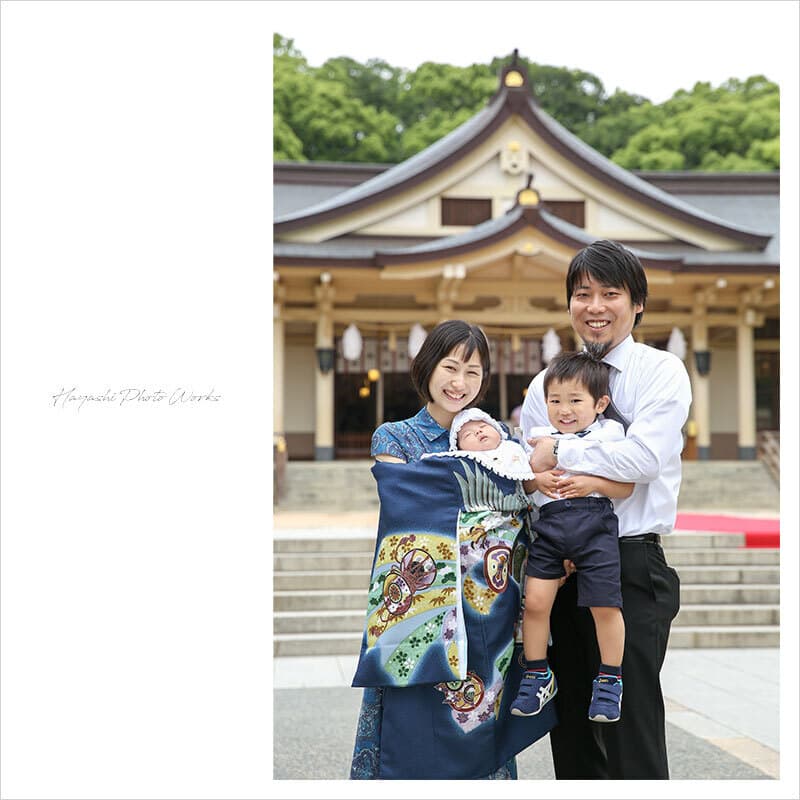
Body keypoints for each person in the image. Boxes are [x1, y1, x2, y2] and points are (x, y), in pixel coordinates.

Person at [350, 319, 553, 780]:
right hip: (421, 605)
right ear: (427, 367)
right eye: (450, 367)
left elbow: (523, 503)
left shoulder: (496, 435)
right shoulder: (395, 437)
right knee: (409, 734)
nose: (460, 383)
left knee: (480, 727)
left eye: (474, 372)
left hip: (490, 605)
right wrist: (500, 486)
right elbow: (405, 503)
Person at [521, 239, 691, 779]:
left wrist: (566, 451)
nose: (594, 306)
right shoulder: (543, 386)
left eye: (610, 293)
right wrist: (582, 471)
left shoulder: (661, 372)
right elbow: (532, 476)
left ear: (637, 303)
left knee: (631, 730)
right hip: (563, 565)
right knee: (571, 732)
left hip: (632, 565)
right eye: (582, 294)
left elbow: (642, 459)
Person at [508, 351, 631, 725]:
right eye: (555, 400)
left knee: (605, 605)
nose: (564, 409)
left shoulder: (610, 432)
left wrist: (591, 482)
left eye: (575, 400)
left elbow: (625, 487)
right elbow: (525, 484)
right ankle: (536, 673)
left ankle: (610, 678)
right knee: (534, 602)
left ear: (600, 403)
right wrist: (537, 481)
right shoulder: (540, 438)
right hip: (550, 528)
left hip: (596, 529)